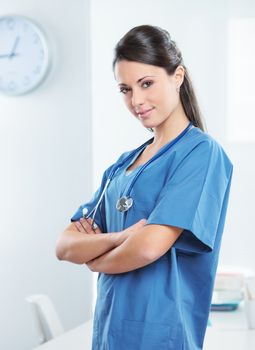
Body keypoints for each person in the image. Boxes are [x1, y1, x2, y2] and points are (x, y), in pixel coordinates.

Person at [56, 25, 233, 350]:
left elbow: (150, 247)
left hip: (161, 334)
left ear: (177, 76)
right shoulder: (121, 166)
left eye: (146, 83)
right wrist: (122, 237)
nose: (136, 100)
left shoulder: (201, 154)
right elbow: (65, 246)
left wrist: (96, 258)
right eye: (125, 89)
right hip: (109, 332)